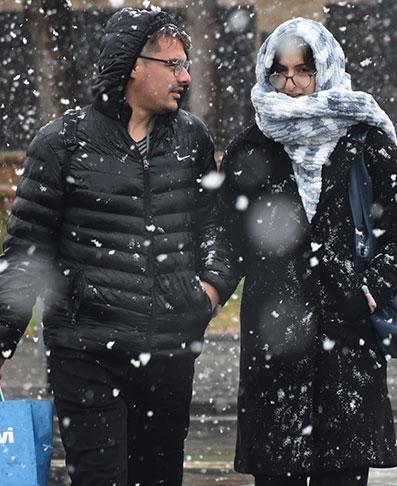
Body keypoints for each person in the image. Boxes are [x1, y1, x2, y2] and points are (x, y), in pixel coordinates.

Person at [0, 8, 228, 485]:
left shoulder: (191, 139)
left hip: (168, 355)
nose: (185, 77)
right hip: (86, 354)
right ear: (132, 66)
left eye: (186, 65)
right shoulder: (62, 144)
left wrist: (208, 292)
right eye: (173, 64)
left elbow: (216, 227)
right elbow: (27, 252)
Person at [210, 18, 397, 486]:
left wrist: (367, 292)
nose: (290, 85)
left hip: (347, 348)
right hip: (274, 350)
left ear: (324, 69)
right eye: (280, 72)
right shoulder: (250, 147)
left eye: (304, 71)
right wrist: (206, 290)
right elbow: (227, 242)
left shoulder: (365, 139)